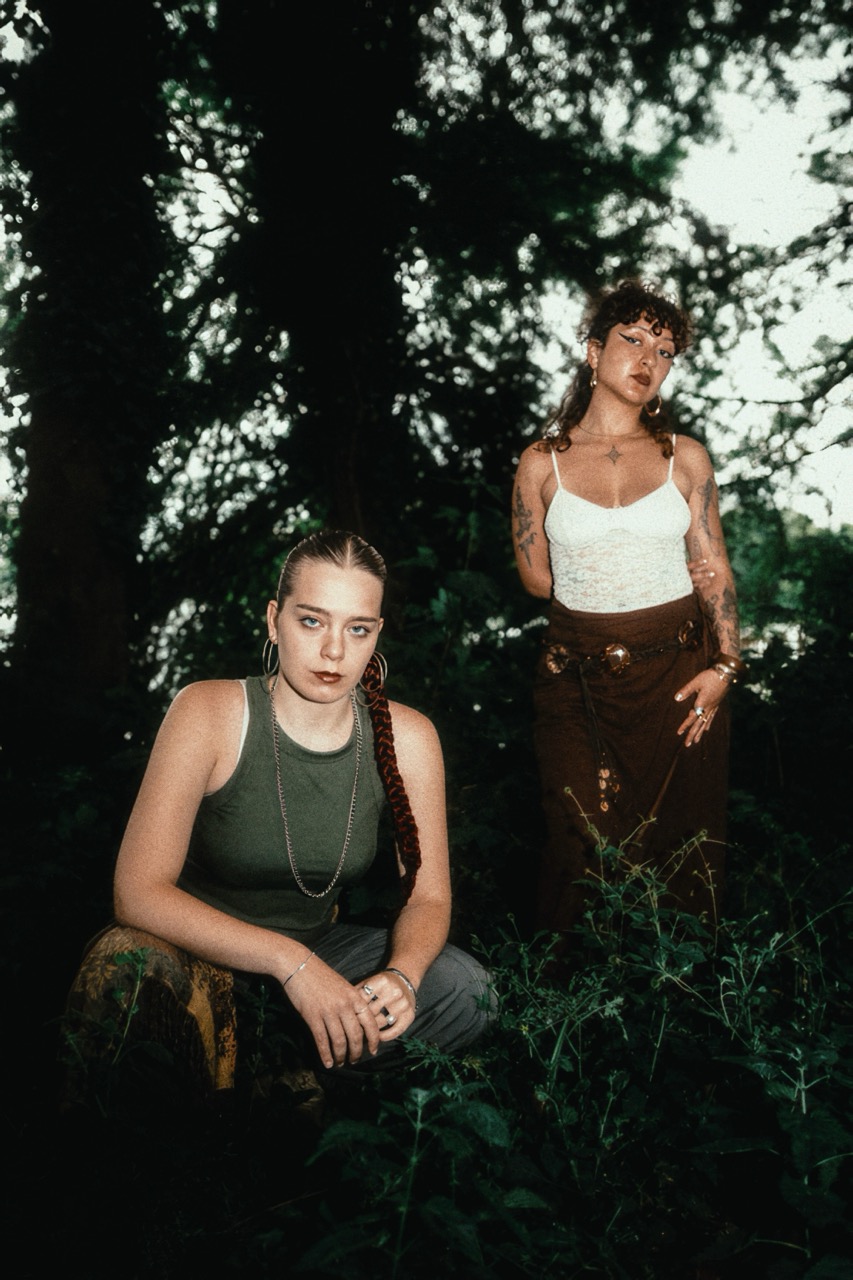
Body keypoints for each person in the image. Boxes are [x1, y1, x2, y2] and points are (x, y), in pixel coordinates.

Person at [101, 529, 491, 1083]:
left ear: (377, 634)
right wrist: (291, 963)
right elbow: (137, 893)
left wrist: (401, 978)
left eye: (357, 629)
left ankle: (292, 1075)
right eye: (311, 621)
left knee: (464, 990)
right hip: (188, 949)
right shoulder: (208, 712)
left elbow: (428, 898)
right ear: (273, 620)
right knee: (125, 982)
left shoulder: (409, 738)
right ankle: (240, 1085)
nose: (334, 651)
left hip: (320, 952)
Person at [511, 281, 743, 934]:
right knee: (578, 842)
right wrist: (610, 569)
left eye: (665, 351)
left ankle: (671, 988)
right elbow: (536, 579)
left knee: (680, 848)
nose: (648, 359)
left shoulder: (684, 458)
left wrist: (726, 665)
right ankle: (570, 990)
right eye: (633, 340)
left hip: (678, 675)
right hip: (575, 677)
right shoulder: (540, 464)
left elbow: (714, 569)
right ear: (593, 352)